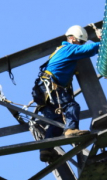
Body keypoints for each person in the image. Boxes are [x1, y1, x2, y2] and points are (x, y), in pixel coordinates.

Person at [32, 25, 102, 162]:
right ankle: (71, 130)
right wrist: (106, 42)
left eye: (82, 43)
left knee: (57, 121)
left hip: (41, 92)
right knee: (71, 106)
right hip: (50, 87)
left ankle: (46, 149)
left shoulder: (62, 51)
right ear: (72, 39)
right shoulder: (68, 49)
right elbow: (90, 49)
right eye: (80, 42)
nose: (81, 45)